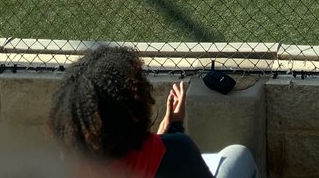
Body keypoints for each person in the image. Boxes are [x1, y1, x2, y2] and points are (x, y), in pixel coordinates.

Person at [48, 45, 258, 178]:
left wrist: (164, 134)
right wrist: (175, 130)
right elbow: (163, 162)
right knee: (239, 156)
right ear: (134, 110)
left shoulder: (66, 162)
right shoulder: (177, 150)